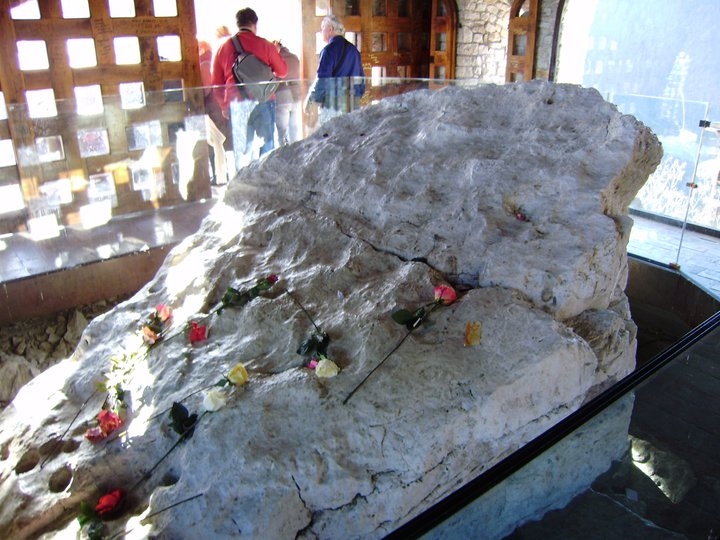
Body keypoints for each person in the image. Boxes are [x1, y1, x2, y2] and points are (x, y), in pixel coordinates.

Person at [211, 8, 287, 158]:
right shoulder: (266, 45)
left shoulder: (223, 48)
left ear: (238, 24)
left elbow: (217, 84)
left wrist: (224, 106)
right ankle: (263, 179)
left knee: (242, 149)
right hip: (263, 100)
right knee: (267, 145)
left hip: (237, 103)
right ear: (255, 24)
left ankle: (243, 179)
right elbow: (282, 72)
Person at [304, 14, 365, 126]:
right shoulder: (354, 50)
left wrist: (312, 100)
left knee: (330, 139)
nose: (321, 31)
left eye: (322, 28)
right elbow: (361, 81)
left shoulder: (328, 51)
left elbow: (322, 80)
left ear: (330, 29)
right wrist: (355, 97)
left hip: (333, 105)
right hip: (352, 103)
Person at [273, 42, 302, 145]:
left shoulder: (276, 59)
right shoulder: (295, 58)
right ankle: (296, 152)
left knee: (282, 131)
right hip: (297, 94)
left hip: (283, 94)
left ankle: (283, 153)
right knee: (294, 129)